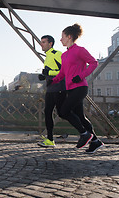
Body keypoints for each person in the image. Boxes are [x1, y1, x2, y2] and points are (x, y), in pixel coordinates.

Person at [49, 23, 104, 153]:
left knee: (63, 111)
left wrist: (81, 75)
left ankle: (84, 134)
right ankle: (95, 141)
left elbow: (94, 63)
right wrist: (53, 80)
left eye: (62, 37)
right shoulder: (64, 55)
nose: (60, 39)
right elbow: (63, 73)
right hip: (71, 89)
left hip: (80, 87)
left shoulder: (80, 50)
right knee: (80, 117)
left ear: (69, 36)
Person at [37, 35, 66, 147]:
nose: (41, 44)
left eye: (43, 42)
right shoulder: (48, 56)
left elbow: (64, 71)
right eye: (41, 42)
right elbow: (53, 72)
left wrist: (48, 73)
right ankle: (50, 140)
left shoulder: (57, 54)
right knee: (47, 112)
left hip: (59, 88)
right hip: (51, 89)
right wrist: (44, 77)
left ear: (50, 43)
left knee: (64, 113)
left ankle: (87, 133)